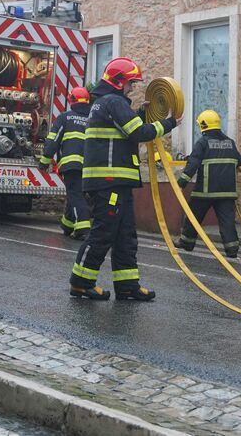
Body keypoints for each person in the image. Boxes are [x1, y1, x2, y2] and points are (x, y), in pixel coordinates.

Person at [69, 58, 178, 301]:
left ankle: (127, 285)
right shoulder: (114, 102)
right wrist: (169, 123)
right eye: (131, 83)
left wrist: (139, 112)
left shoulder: (106, 103)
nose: (133, 88)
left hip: (117, 183)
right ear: (119, 82)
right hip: (110, 183)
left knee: (125, 235)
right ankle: (80, 282)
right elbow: (137, 132)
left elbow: (125, 127)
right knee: (103, 233)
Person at [175, 109, 241, 258]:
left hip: (205, 191)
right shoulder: (230, 142)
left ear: (203, 125)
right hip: (227, 191)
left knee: (193, 216)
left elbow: (193, 164)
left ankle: (187, 242)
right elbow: (240, 160)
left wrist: (182, 182)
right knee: (227, 222)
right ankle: (232, 250)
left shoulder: (203, 142)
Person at [40, 86, 92, 240]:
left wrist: (44, 160)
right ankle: (68, 225)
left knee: (76, 195)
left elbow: (53, 140)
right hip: (90, 166)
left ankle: (83, 227)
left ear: (71, 100)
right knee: (76, 193)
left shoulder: (65, 117)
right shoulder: (93, 119)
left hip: (71, 165)